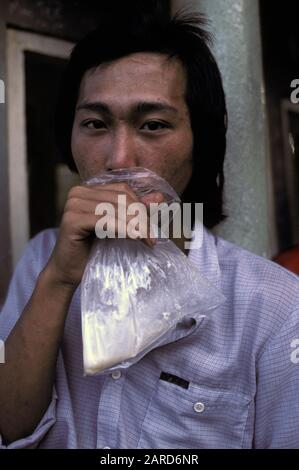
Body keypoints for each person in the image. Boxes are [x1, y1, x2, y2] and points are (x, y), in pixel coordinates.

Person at [0, 11, 299, 449]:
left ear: (202, 142)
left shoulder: (273, 306)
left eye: (153, 125)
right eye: (95, 124)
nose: (119, 158)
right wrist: (59, 279)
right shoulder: (42, 259)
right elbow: (10, 425)